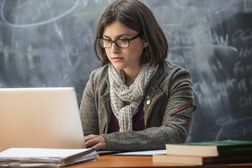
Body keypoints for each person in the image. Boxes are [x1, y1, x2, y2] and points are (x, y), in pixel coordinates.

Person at [80, 0, 196, 151]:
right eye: (107, 40)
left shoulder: (175, 79)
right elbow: (85, 137)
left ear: (146, 40)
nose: (113, 49)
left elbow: (175, 133)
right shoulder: (97, 80)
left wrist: (111, 141)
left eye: (123, 40)